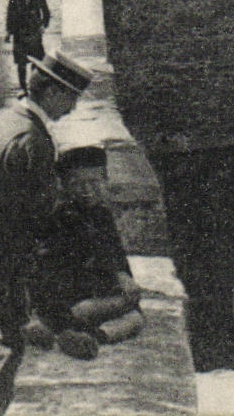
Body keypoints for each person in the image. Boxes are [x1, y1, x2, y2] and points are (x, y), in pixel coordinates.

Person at [0, 52, 92, 416]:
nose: (72, 109)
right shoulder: (36, 142)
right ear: (53, 93)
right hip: (9, 267)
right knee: (13, 350)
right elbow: (41, 219)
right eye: (71, 98)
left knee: (1, 345)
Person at [21, 147, 145, 360]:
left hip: (88, 298)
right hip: (68, 298)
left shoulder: (101, 215)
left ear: (105, 180)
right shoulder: (64, 217)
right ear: (65, 186)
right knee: (129, 313)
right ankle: (64, 329)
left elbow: (115, 254)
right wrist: (120, 280)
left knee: (134, 317)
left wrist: (123, 277)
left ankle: (87, 337)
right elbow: (90, 255)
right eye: (78, 185)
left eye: (94, 183)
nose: (87, 190)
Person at [4, 0, 52, 94]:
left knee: (36, 61)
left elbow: (46, 13)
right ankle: (23, 87)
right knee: (21, 63)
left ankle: (34, 86)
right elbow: (10, 15)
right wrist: (9, 32)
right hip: (19, 32)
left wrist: (43, 25)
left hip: (34, 32)